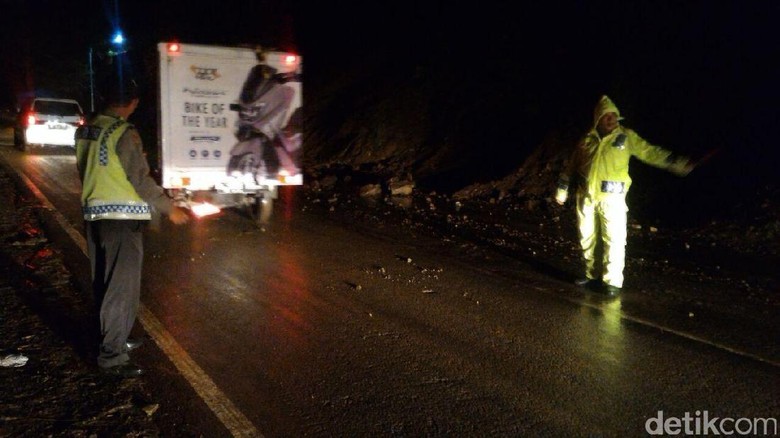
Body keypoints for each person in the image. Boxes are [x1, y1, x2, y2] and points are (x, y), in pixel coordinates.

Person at [76, 74, 189, 377]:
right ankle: (112, 357)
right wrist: (170, 209)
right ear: (132, 103)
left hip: (95, 216)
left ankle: (113, 339)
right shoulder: (123, 132)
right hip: (122, 219)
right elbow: (138, 179)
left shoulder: (87, 128)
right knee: (121, 289)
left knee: (104, 283)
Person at [554, 95, 695, 296]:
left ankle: (612, 282)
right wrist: (562, 190)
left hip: (612, 201)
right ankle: (591, 275)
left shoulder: (626, 137)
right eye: (606, 115)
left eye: (614, 115)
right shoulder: (586, 140)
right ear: (598, 118)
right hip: (585, 198)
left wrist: (678, 163)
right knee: (587, 238)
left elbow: (651, 152)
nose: (611, 119)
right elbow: (570, 167)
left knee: (614, 239)